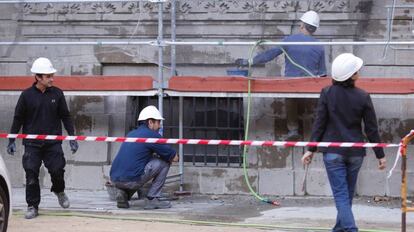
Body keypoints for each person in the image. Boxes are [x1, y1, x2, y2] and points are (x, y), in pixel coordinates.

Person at [301, 53, 387, 232]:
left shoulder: (327, 93)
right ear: (352, 75)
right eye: (356, 69)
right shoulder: (363, 96)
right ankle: (343, 229)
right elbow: (371, 129)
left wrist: (311, 149)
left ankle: (348, 229)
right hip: (355, 153)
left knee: (342, 196)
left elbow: (320, 122)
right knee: (346, 196)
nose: (359, 71)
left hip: (332, 152)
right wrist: (380, 155)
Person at [236, 10, 326, 140]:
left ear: (302, 25)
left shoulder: (290, 40)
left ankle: (293, 129)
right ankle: (320, 130)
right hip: (311, 84)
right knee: (318, 102)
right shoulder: (319, 46)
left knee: (290, 98)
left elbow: (269, 55)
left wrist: (249, 62)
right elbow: (322, 72)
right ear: (314, 29)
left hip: (292, 83)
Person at [6, 57, 79, 219]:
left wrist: (72, 136)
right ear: (38, 77)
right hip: (32, 144)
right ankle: (32, 206)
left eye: (52, 75)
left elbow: (65, 116)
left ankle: (59, 191)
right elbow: (18, 118)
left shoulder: (58, 94)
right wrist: (11, 139)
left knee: (57, 170)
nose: (52, 79)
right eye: (48, 76)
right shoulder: (26, 96)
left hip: (53, 143)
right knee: (31, 174)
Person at [110, 105, 179, 210]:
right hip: (132, 179)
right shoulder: (151, 135)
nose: (160, 126)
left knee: (138, 168)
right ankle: (153, 198)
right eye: (158, 122)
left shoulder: (131, 134)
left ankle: (124, 193)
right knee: (164, 162)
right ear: (150, 122)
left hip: (114, 179)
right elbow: (174, 158)